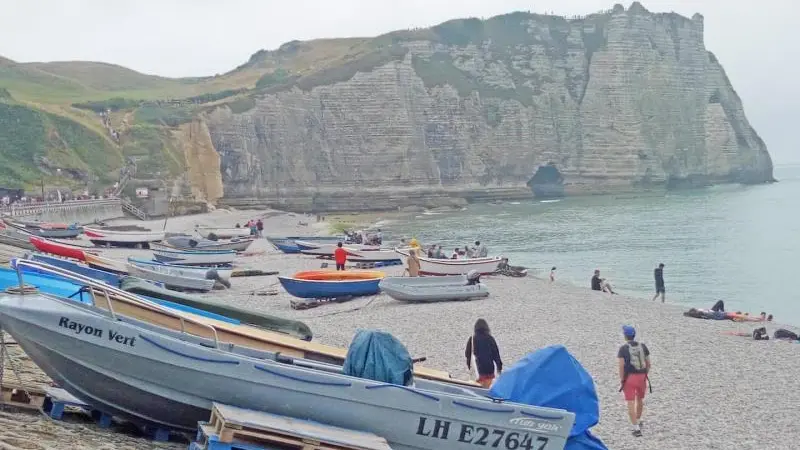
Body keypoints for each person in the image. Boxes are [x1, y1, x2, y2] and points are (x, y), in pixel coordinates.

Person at [617, 325, 650, 437]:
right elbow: (648, 363)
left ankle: (635, 428)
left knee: (630, 401)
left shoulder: (623, 349)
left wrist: (622, 379)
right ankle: (639, 420)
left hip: (630, 377)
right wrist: (645, 374)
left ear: (625, 336)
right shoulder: (643, 346)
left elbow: (621, 366)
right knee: (640, 399)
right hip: (642, 376)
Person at [464, 319, 503, 388]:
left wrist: (470, 367)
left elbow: (468, 355)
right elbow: (496, 355)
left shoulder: (472, 339)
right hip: (489, 370)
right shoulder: (490, 338)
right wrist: (499, 368)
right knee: (486, 389)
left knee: (478, 389)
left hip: (478, 370)